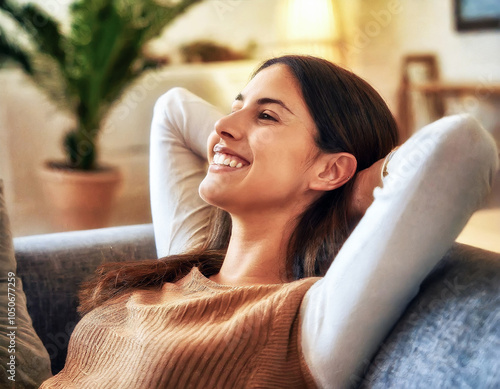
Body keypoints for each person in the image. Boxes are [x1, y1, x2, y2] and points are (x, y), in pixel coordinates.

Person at [41, 55, 498, 388]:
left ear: (331, 169)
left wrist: (352, 190)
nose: (224, 123)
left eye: (266, 115)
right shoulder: (188, 263)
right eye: (236, 105)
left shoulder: (304, 324)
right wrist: (239, 145)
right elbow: (173, 110)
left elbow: (459, 147)